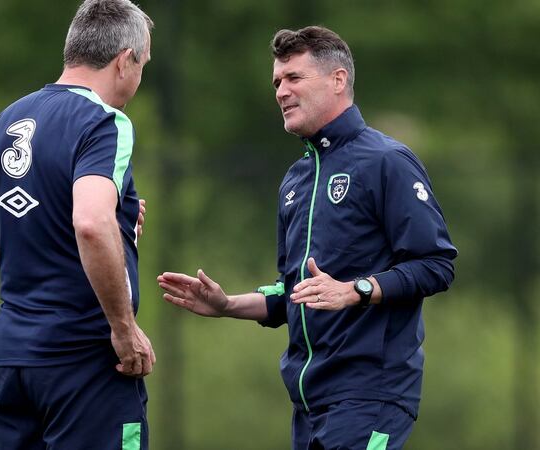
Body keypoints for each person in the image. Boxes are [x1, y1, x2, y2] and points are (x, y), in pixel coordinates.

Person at [158, 26, 457, 450]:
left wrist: (357, 289)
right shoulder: (295, 181)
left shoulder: (387, 161)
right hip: (309, 402)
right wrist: (226, 306)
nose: (281, 91)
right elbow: (293, 294)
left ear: (338, 80)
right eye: (277, 81)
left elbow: (436, 265)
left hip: (371, 395)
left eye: (294, 78)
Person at [0, 0, 154, 448]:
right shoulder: (105, 121)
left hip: (14, 363)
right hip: (84, 361)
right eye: (143, 63)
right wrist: (124, 332)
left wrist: (115, 229)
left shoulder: (6, 120)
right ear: (125, 60)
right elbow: (88, 222)